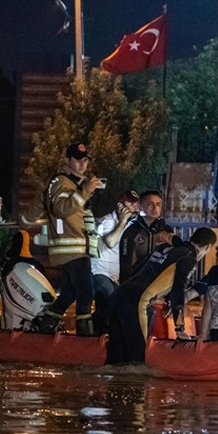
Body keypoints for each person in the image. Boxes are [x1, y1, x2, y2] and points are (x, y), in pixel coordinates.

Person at [106, 227, 217, 364]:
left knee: (115, 357)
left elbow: (140, 270)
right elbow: (178, 290)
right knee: (137, 359)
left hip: (119, 295)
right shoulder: (189, 258)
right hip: (137, 302)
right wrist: (179, 327)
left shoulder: (165, 248)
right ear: (208, 247)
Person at [37, 142, 105, 336]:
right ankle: (85, 335)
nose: (82, 164)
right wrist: (85, 191)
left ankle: (46, 325)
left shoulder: (75, 183)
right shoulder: (61, 182)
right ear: (68, 160)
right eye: (78, 160)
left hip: (77, 247)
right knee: (86, 292)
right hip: (71, 248)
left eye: (85, 160)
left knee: (70, 292)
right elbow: (61, 209)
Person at [91, 190, 140, 333]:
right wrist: (123, 222)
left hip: (116, 277)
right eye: (131, 204)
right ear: (120, 206)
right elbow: (110, 242)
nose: (135, 208)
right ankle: (101, 333)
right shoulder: (107, 221)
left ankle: (99, 333)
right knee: (111, 299)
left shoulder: (130, 225)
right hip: (99, 273)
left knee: (109, 305)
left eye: (136, 204)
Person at [118, 190, 166, 284]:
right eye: (150, 204)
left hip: (159, 286)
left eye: (158, 204)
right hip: (137, 284)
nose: (155, 208)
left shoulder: (166, 230)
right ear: (140, 206)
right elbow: (125, 268)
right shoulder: (131, 232)